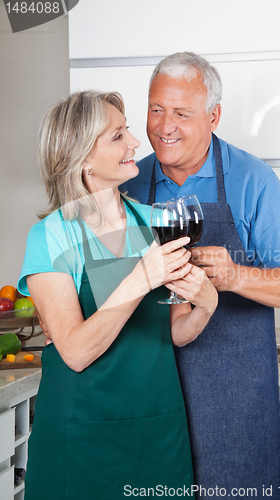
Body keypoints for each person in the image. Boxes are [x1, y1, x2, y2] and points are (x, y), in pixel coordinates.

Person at [120, 52, 280, 499]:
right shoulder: (130, 182)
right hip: (153, 400)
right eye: (155, 108)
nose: (164, 126)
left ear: (214, 116)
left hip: (237, 411)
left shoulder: (251, 179)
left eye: (182, 113)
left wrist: (233, 276)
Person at [17, 90, 218, 500]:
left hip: (158, 433)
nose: (135, 143)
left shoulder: (158, 222)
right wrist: (141, 277)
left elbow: (174, 332)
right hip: (80, 439)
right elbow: (74, 351)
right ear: (82, 157)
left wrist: (207, 304)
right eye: (117, 135)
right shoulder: (51, 236)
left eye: (126, 130)